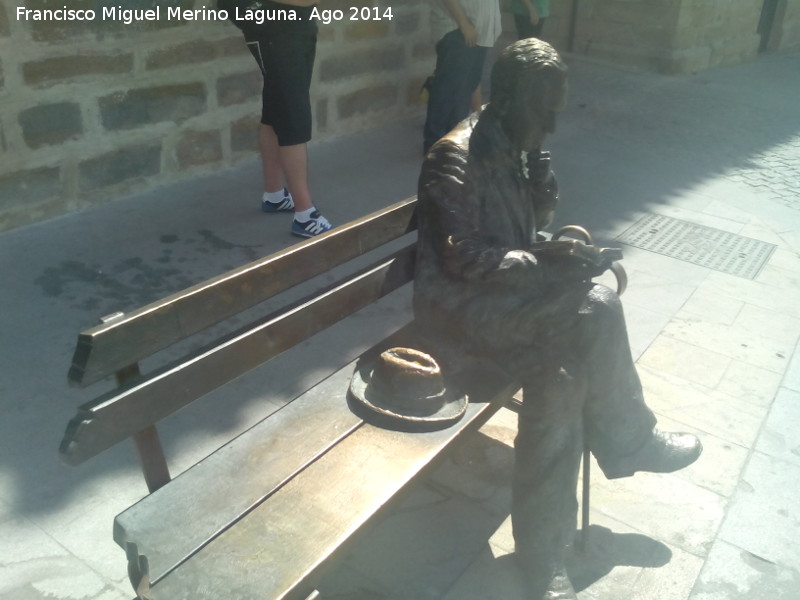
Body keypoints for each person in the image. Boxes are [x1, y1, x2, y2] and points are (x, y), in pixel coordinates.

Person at [413, 39, 702, 599]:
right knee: (595, 304)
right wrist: (547, 261)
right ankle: (630, 439)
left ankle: (543, 554)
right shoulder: (456, 155)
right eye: (542, 112)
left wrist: (542, 184)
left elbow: (532, 223)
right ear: (507, 99)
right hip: (458, 314)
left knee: (562, 379)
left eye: (555, 113)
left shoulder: (514, 145)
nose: (549, 125)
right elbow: (464, 259)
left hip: (502, 304)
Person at [228, 0, 332, 238]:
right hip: (273, 21)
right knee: (292, 115)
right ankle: (305, 215)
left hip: (292, 22)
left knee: (276, 106)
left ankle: (274, 194)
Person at [423, 0, 502, 154]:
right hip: (458, 28)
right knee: (448, 91)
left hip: (479, 32)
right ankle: (435, 146)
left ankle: (453, 143)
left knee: (465, 89)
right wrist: (464, 23)